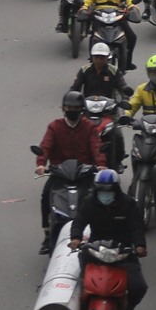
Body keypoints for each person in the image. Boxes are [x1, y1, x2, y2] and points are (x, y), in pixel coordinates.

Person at [67, 169, 149, 310]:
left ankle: (128, 308)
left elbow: (136, 227)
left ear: (116, 189)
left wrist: (139, 246)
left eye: (109, 190)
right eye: (101, 190)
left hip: (123, 251)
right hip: (95, 248)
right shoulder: (89, 202)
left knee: (139, 286)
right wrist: (76, 238)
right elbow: (78, 222)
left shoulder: (128, 204)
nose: (105, 194)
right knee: (80, 280)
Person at [36, 90, 103, 252]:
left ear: (81, 110)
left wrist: (101, 165)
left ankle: (101, 232)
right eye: (68, 108)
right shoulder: (55, 127)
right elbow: (45, 146)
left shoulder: (89, 127)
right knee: (46, 196)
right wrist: (41, 164)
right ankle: (47, 234)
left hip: (84, 174)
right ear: (63, 109)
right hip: (60, 174)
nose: (71, 111)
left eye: (75, 108)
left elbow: (97, 147)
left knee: (100, 200)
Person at [81, 0, 138, 70]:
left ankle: (127, 62)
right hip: (99, 15)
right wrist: (84, 8)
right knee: (93, 38)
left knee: (132, 37)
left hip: (118, 15)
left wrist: (131, 7)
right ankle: (92, 61)